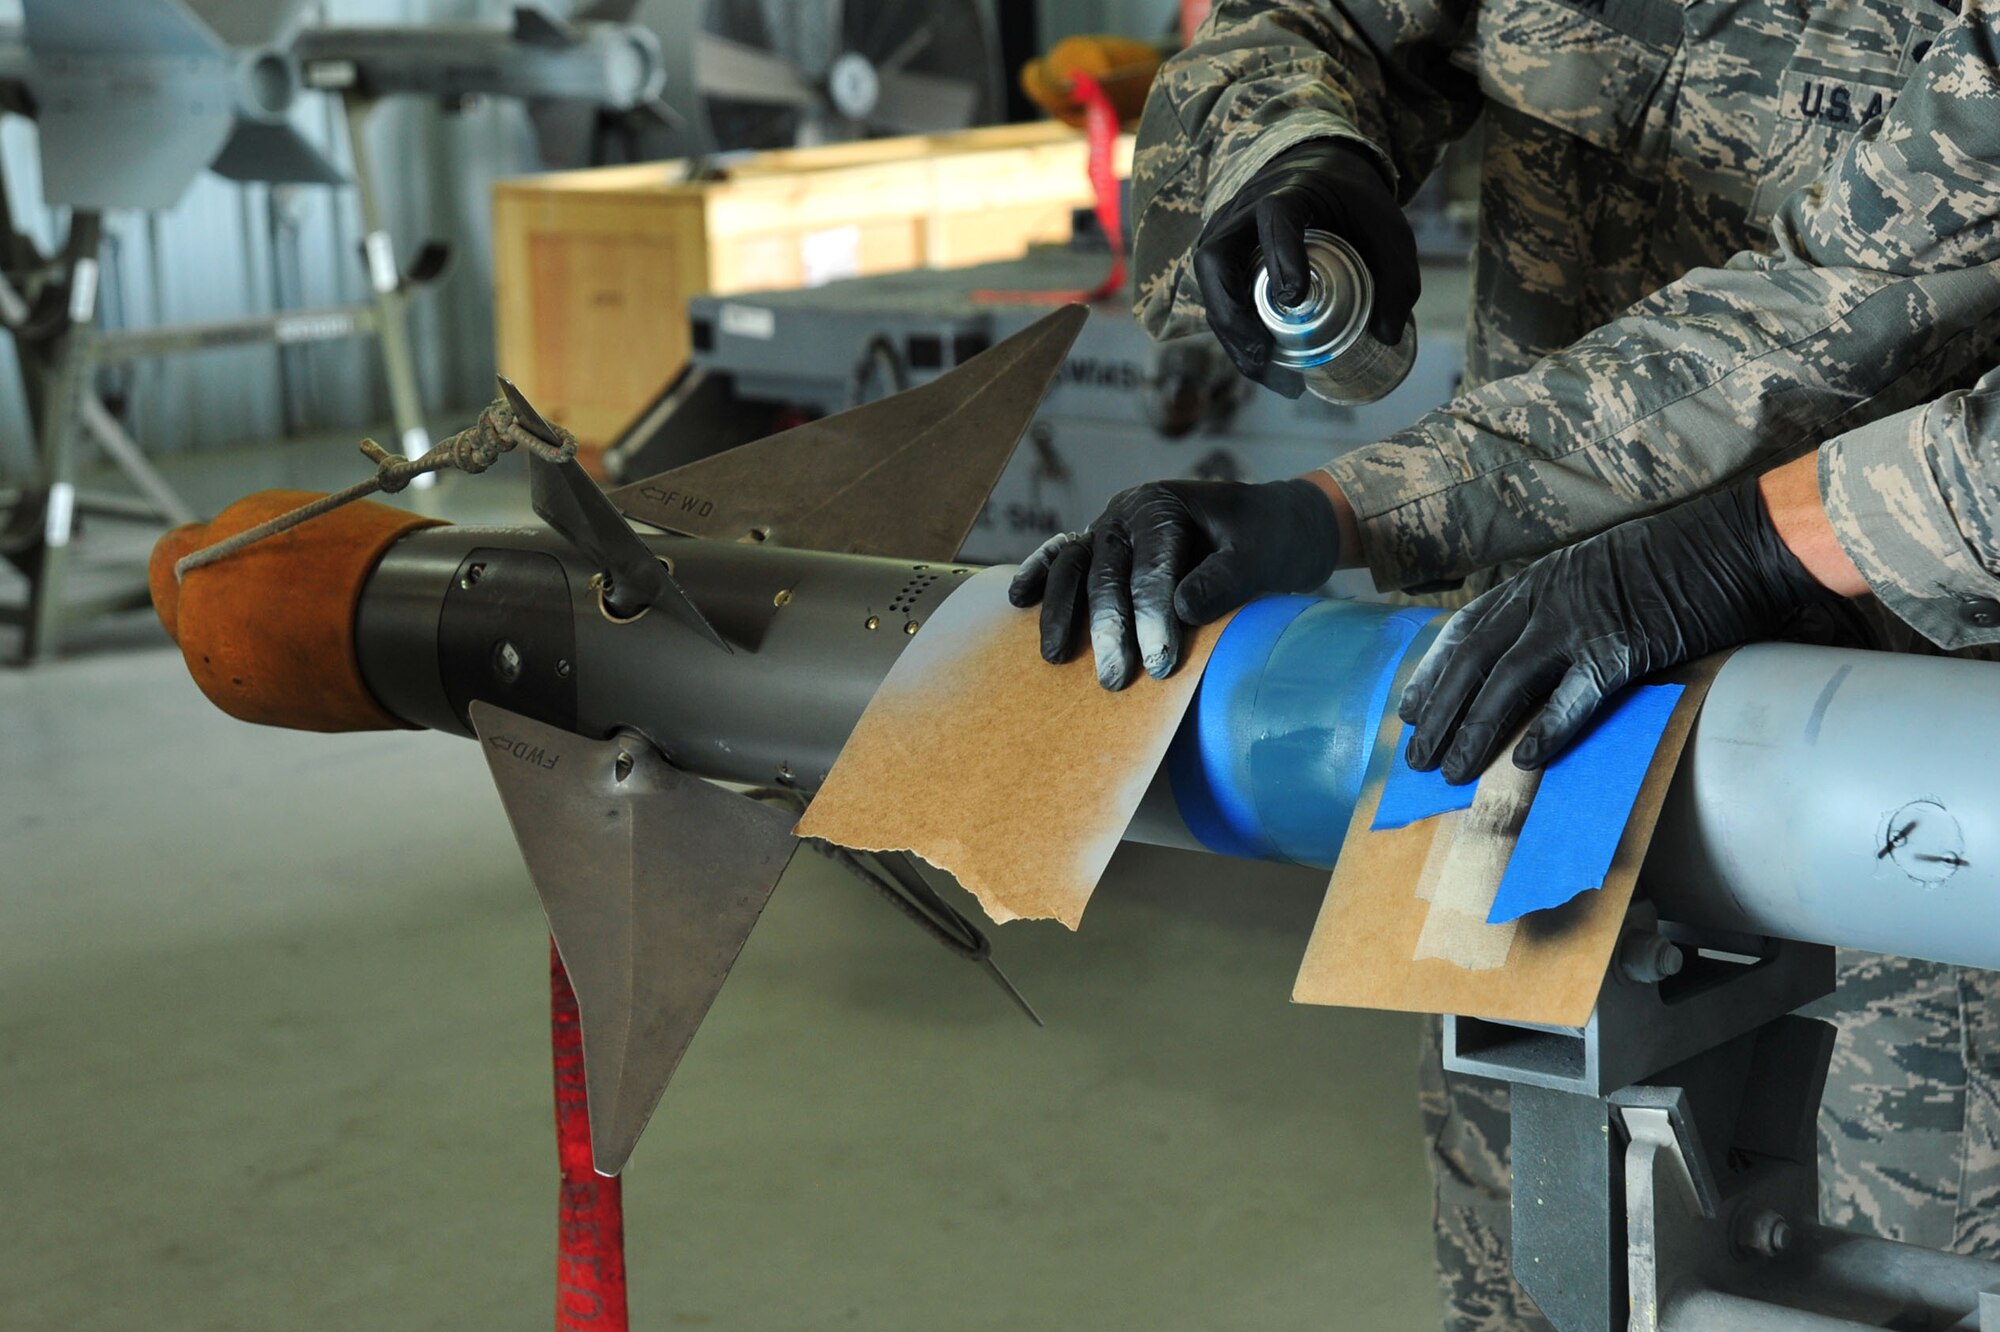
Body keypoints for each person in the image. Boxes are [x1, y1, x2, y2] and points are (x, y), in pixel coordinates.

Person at [1015, 0, 2000, 1325]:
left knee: (1902, 1270)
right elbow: (1834, 295)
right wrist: (1336, 507)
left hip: (1917, 773)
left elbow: (1871, 292)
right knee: (1538, 1247)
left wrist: (1773, 538)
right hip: (1534, 707)